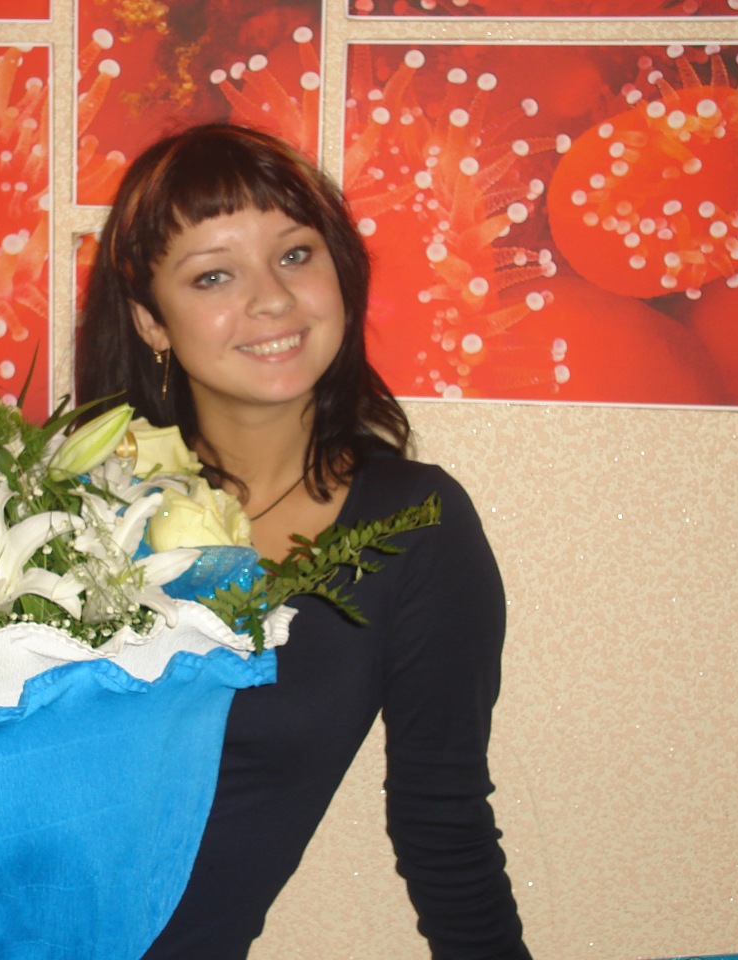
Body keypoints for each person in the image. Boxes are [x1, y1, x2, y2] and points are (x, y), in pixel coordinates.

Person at [75, 123, 531, 959]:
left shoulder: (412, 527)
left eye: (294, 255)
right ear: (150, 321)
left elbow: (444, 826)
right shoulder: (68, 504)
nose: (273, 300)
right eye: (214, 275)